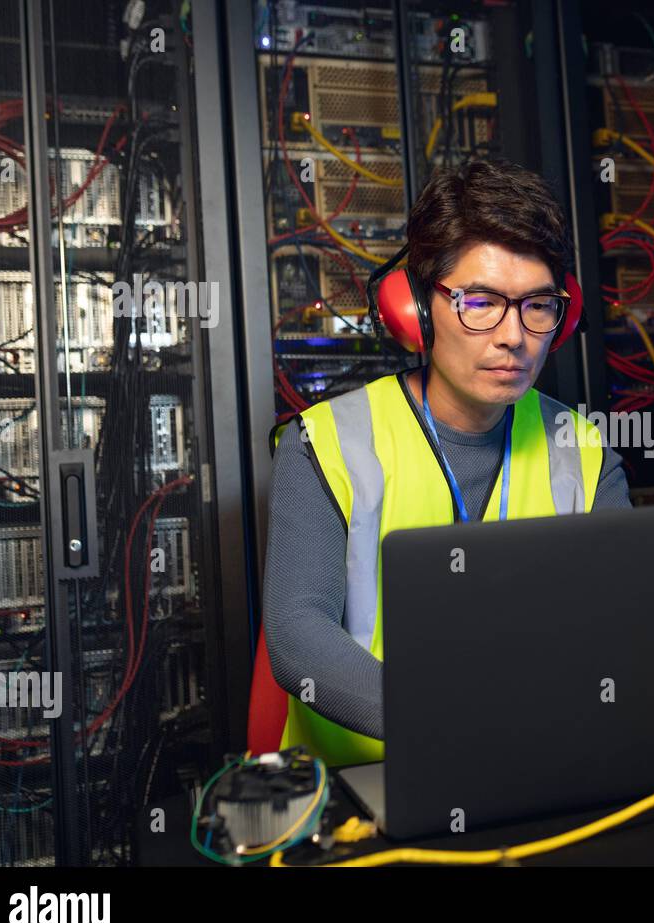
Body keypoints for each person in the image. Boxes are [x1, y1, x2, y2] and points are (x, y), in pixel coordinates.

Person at [261, 159, 631, 767]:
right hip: (363, 790)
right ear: (417, 308)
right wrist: (450, 724)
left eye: (537, 306)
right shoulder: (325, 442)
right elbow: (299, 637)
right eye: (481, 302)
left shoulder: (587, 455)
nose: (513, 335)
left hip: (538, 771)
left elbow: (620, 631)